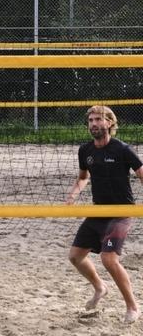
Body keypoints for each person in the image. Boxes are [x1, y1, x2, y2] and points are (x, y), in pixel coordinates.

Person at [65, 105, 142, 323]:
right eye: (90, 120)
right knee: (75, 257)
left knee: (109, 259)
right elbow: (82, 177)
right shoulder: (85, 150)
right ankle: (100, 287)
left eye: (98, 119)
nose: (94, 124)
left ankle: (133, 307)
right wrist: (73, 195)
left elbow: (141, 173)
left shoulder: (122, 149)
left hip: (121, 212)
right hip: (98, 211)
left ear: (109, 123)